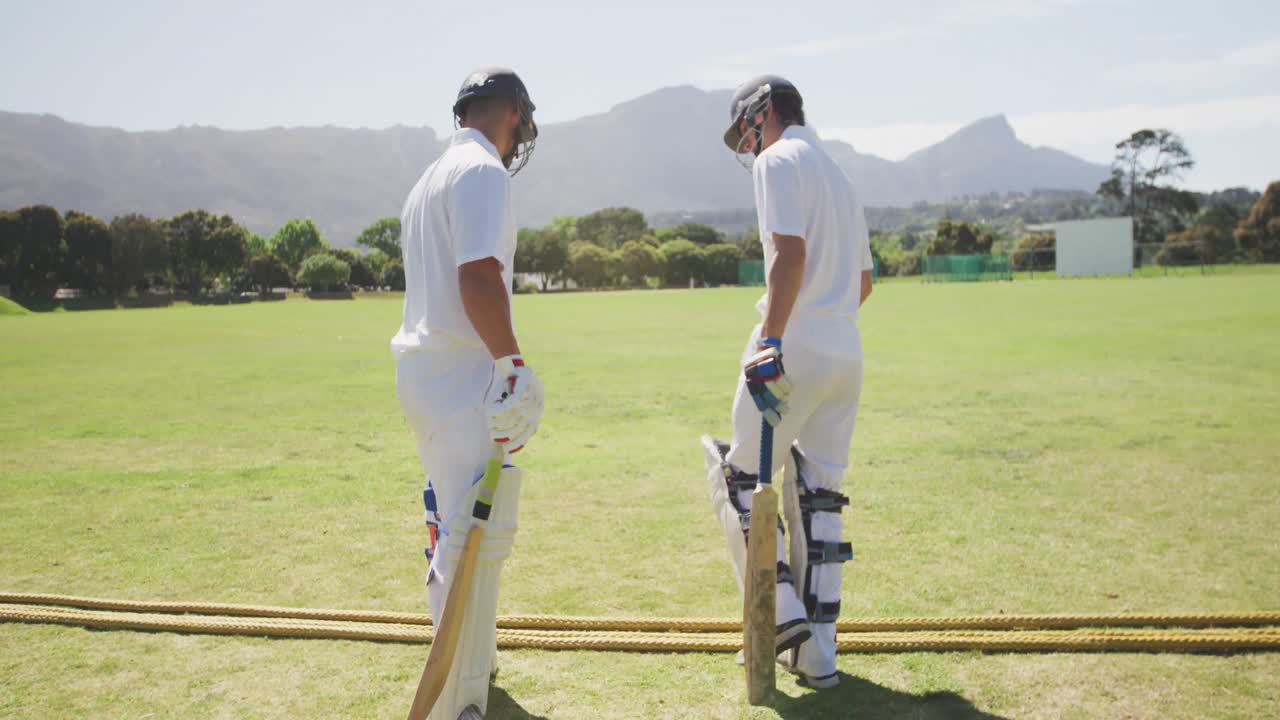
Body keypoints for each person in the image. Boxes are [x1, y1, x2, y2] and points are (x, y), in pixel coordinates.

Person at [702, 74, 873, 690]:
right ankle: (819, 656)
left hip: (793, 340)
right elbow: (863, 284)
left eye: (748, 126)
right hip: (845, 349)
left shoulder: (778, 160)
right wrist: (825, 325)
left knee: (737, 476)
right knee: (820, 495)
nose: (747, 143)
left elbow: (788, 254)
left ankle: (781, 621)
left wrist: (773, 336)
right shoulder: (841, 174)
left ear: (766, 112)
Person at [392, 66, 543, 720]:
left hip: (425, 374)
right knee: (478, 533)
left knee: (454, 523)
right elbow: (479, 279)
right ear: (510, 111)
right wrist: (512, 363)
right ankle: (460, 697)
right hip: (459, 373)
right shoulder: (481, 171)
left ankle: (470, 667)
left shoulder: (429, 178)